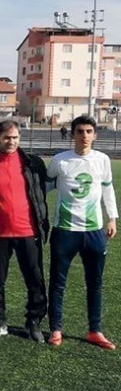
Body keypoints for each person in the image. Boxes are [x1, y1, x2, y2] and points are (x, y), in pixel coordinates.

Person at [0, 120, 49, 342]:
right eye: (6, 137)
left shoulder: (33, 163)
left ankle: (34, 321)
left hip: (28, 231)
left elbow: (41, 192)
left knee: (35, 279)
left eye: (15, 137)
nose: (11, 141)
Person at [46, 115, 118, 349]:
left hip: (93, 231)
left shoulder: (102, 160)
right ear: (72, 134)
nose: (84, 136)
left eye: (88, 131)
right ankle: (56, 329)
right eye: (80, 131)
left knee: (95, 283)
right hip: (65, 230)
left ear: (95, 135)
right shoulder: (60, 160)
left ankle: (95, 330)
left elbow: (107, 190)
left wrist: (112, 218)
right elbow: (45, 186)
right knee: (58, 283)